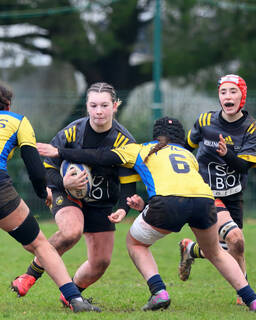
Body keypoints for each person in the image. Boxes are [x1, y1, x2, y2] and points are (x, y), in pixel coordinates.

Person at [37, 116, 256, 312]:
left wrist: (61, 152)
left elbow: (100, 156)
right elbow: (183, 190)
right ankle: (252, 300)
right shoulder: (187, 156)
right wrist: (146, 206)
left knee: (135, 243)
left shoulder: (141, 149)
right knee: (216, 252)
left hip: (168, 202)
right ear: (180, 138)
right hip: (205, 201)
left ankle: (159, 292)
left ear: (155, 135)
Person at [0, 82, 101, 313]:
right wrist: (42, 191)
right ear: (8, 104)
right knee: (39, 244)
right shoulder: (17, 120)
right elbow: (33, 163)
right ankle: (75, 299)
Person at [11, 82, 140, 305]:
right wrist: (62, 182)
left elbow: (127, 181)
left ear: (115, 106)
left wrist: (122, 208)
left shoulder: (124, 140)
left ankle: (71, 293)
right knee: (72, 232)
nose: (99, 111)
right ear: (87, 107)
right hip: (66, 194)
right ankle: (29, 275)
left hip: (101, 203)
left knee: (100, 262)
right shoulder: (72, 132)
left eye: (104, 105)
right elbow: (48, 168)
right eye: (93, 105)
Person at [177, 74, 256, 305]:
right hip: (205, 193)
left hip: (233, 195)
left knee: (235, 246)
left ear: (242, 96)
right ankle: (246, 293)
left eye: (233, 91)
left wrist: (227, 154)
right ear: (219, 96)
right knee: (235, 238)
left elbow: (245, 166)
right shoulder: (205, 121)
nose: (228, 96)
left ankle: (191, 250)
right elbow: (185, 148)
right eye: (224, 92)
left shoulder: (250, 128)